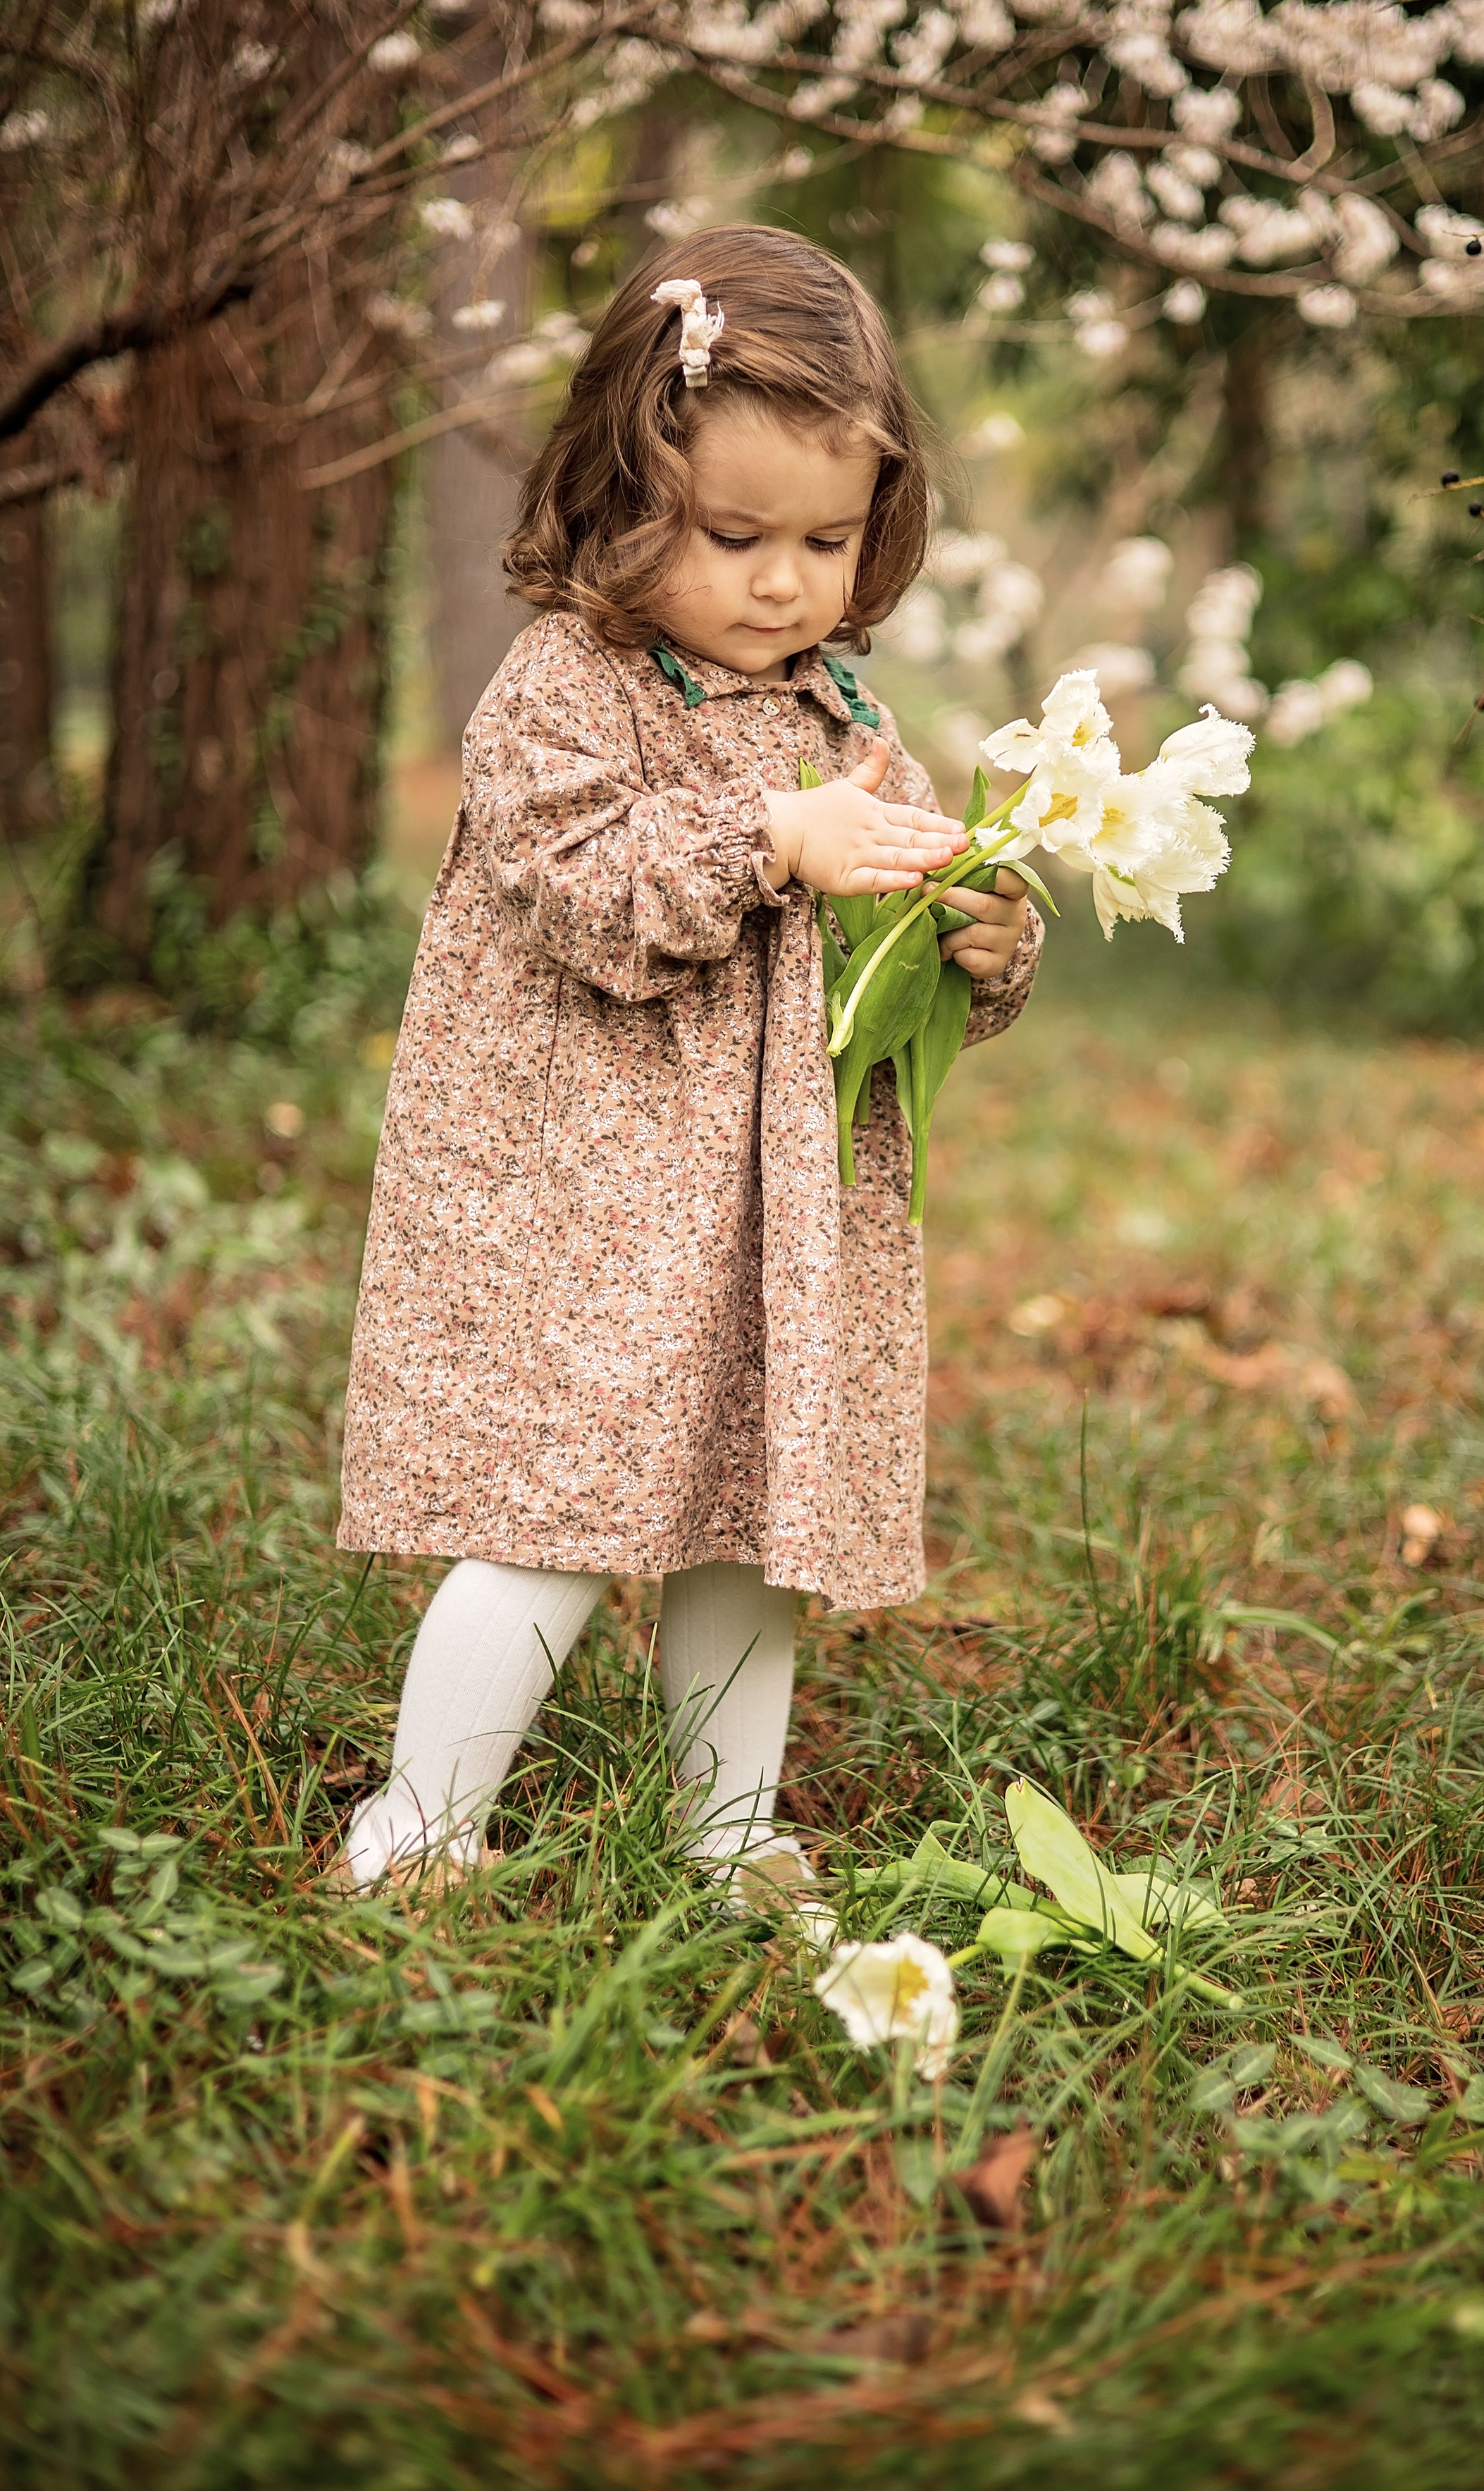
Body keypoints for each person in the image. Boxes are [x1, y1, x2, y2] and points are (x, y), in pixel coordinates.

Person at [332, 225, 1041, 1910]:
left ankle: (731, 1833)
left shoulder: (843, 717)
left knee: (753, 1525)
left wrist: (978, 948)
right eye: (732, 536)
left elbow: (890, 948)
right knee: (556, 1521)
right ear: (619, 493)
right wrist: (770, 840)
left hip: (773, 1231)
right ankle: (419, 1829)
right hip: (585, 1207)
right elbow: (585, 890)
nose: (784, 582)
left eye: (825, 536)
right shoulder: (563, 689)